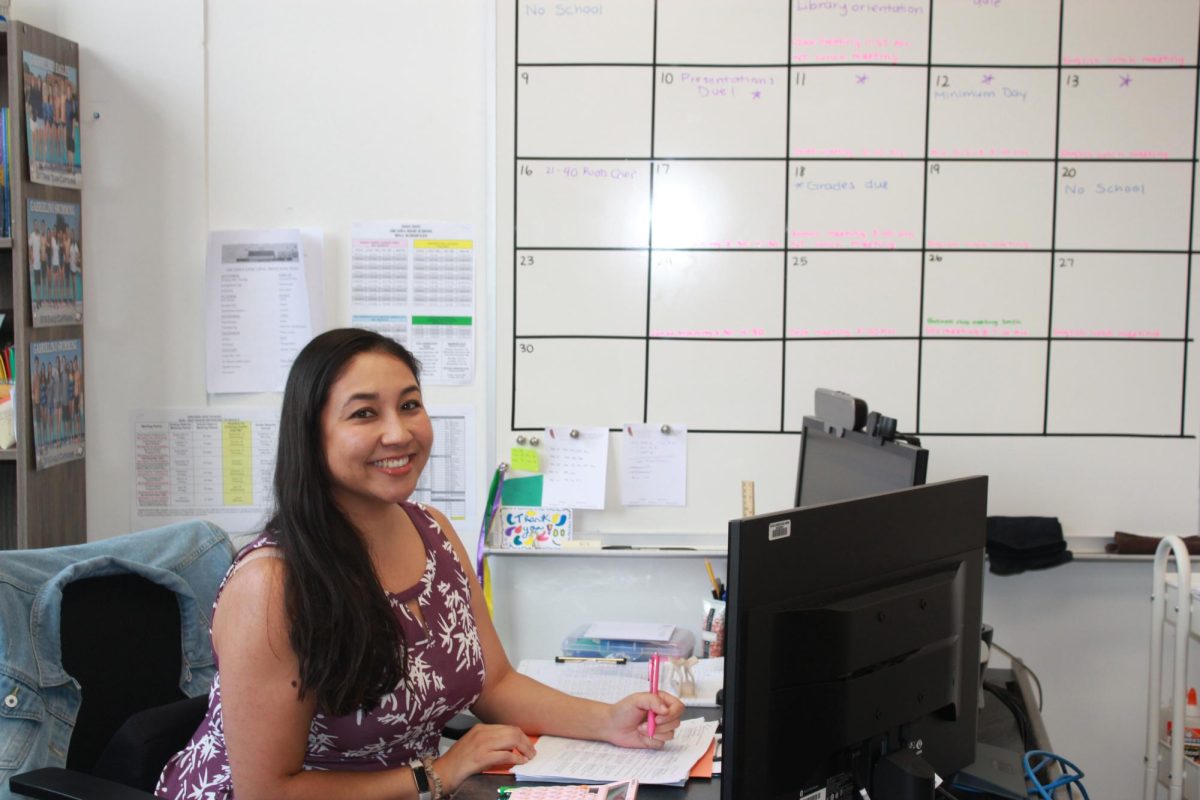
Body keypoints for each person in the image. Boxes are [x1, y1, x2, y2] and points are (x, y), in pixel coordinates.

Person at [156, 328, 684, 800]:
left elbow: (492, 683)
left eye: (410, 405)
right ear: (311, 436)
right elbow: (266, 791)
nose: (399, 433)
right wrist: (436, 774)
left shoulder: (431, 528)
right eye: (365, 413)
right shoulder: (272, 585)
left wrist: (610, 722)